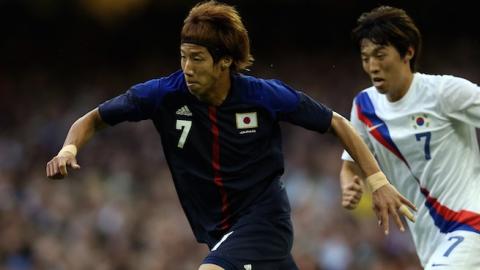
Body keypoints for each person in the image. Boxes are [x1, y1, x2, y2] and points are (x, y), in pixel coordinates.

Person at [46, 1, 415, 269]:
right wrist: (68, 147)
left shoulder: (263, 96)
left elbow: (337, 122)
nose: (187, 68)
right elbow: (93, 119)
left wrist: (378, 180)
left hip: (263, 221)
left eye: (198, 59)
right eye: (183, 57)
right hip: (219, 230)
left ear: (224, 61)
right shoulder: (162, 94)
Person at [340, 5, 480, 269]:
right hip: (430, 241)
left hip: (471, 222)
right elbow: (350, 163)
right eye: (365, 57)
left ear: (408, 52)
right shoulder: (364, 107)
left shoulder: (444, 92)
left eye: (380, 55)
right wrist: (349, 183)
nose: (372, 66)